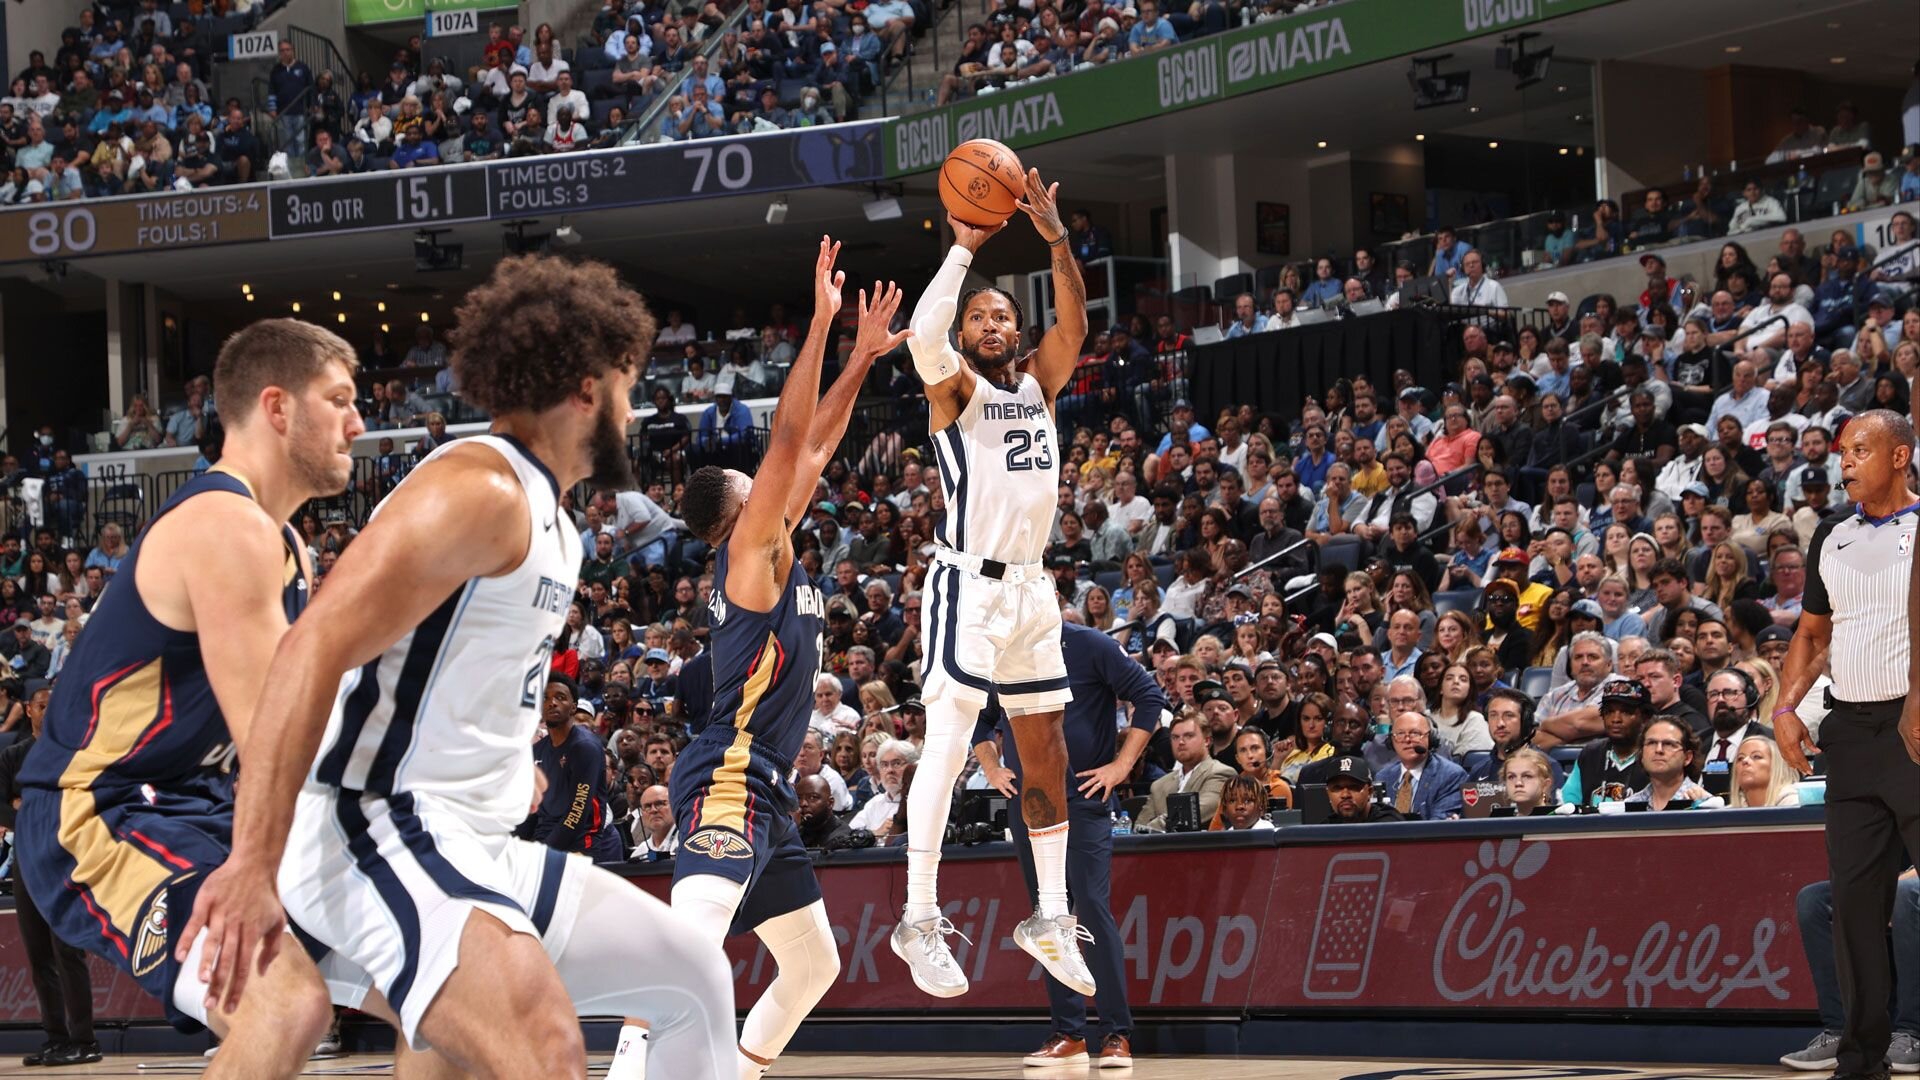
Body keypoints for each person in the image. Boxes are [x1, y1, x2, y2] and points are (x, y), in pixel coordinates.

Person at [174, 257, 736, 1080]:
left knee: (694, 975)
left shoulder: (555, 521)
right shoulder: (480, 488)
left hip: (473, 836)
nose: (633, 405)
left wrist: (511, 765)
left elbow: (453, 670)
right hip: (375, 822)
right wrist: (253, 862)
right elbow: (311, 647)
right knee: (544, 1045)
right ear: (586, 389)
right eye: (625, 384)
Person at [12, 321, 363, 1079]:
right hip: (99, 807)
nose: (358, 424)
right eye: (339, 400)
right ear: (277, 407)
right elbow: (280, 734)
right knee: (283, 1002)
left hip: (199, 799)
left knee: (447, 987)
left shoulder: (286, 544)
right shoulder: (223, 524)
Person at [636, 242, 902, 1080]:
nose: (777, 483)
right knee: (687, 955)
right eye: (759, 485)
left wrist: (859, 356)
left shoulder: (772, 540)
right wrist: (821, 324)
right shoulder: (751, 554)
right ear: (736, 514)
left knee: (813, 964)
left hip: (768, 787)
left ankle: (738, 1072)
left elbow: (813, 447)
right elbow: (791, 434)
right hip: (729, 774)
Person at [896, 166, 1094, 999]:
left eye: (1001, 314)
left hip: (1030, 591)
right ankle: (916, 916)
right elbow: (920, 337)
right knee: (946, 741)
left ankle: (1049, 914)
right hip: (965, 586)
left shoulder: (1040, 384)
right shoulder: (956, 392)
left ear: (1016, 332)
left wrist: (1054, 239)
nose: (990, 323)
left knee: (1046, 745)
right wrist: (962, 253)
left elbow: (1076, 323)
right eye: (979, 315)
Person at [1776, 406, 1920, 1080]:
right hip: (1852, 735)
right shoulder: (1831, 537)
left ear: (1899, 456)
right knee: (1855, 909)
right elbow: (1811, 634)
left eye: (1861, 449)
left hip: (1915, 728)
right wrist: (1784, 707)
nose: (1845, 462)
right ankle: (1861, 1060)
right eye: (1842, 450)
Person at [971, 620, 1162, 1068]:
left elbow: (1150, 696)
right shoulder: (1003, 655)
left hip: (1083, 800)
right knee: (1047, 915)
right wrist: (993, 769)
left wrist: (1120, 767)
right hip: (1031, 807)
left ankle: (1116, 1033)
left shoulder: (1091, 645)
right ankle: (1069, 1034)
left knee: (1092, 908)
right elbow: (980, 722)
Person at [0, 679, 99, 1066]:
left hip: (66, 860)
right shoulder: (14, 755)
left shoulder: (76, 753)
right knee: (39, 953)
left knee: (68, 951)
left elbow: (81, 803)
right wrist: (20, 808)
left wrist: (28, 806)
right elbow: (3, 807)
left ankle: (85, 1039)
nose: (48, 711)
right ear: (28, 709)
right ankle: (56, 1038)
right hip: (27, 862)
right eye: (42, 705)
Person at [1783, 869, 1920, 1072]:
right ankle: (1842, 1031)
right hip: (1889, 879)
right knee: (1813, 900)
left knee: (1903, 893)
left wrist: (1891, 886)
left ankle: (1913, 1033)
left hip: (1905, 884)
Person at [527, 676, 622, 863]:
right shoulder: (537, 750)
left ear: (573, 707)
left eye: (560, 697)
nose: (552, 703)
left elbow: (577, 812)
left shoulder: (584, 747)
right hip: (545, 837)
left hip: (580, 844)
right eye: (545, 698)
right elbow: (532, 808)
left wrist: (542, 852)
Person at [1558, 677, 1652, 806]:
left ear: (1645, 718)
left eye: (1626, 712)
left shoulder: (1654, 754)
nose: (1615, 719)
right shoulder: (1591, 754)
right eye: (1609, 712)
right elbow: (1568, 803)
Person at [1135, 713, 1234, 832]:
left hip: (1199, 847)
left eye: (1189, 736)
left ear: (1207, 740)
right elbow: (1139, 826)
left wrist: (1151, 829)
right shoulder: (1158, 785)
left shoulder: (1221, 773)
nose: (1180, 742)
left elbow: (1194, 813)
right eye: (1175, 737)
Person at [1375, 712, 1466, 820]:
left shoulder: (1450, 775)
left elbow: (1440, 824)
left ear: (1431, 738)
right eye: (1400, 734)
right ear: (1391, 741)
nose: (1407, 740)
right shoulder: (1383, 776)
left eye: (1415, 733)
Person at [1625, 716, 1722, 809]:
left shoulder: (1704, 804)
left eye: (1669, 744)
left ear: (1687, 757)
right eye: (1652, 743)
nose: (1659, 750)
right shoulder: (1630, 804)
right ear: (1642, 754)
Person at [1324, 753, 1404, 823]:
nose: (1345, 795)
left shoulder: (1389, 825)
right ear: (1328, 794)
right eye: (1337, 788)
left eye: (1354, 787)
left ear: (1370, 792)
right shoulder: (1325, 829)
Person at [1501, 747, 1559, 815]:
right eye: (1511, 777)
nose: (1518, 783)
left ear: (1545, 785)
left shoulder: (1558, 822)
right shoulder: (1498, 823)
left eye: (1527, 776)